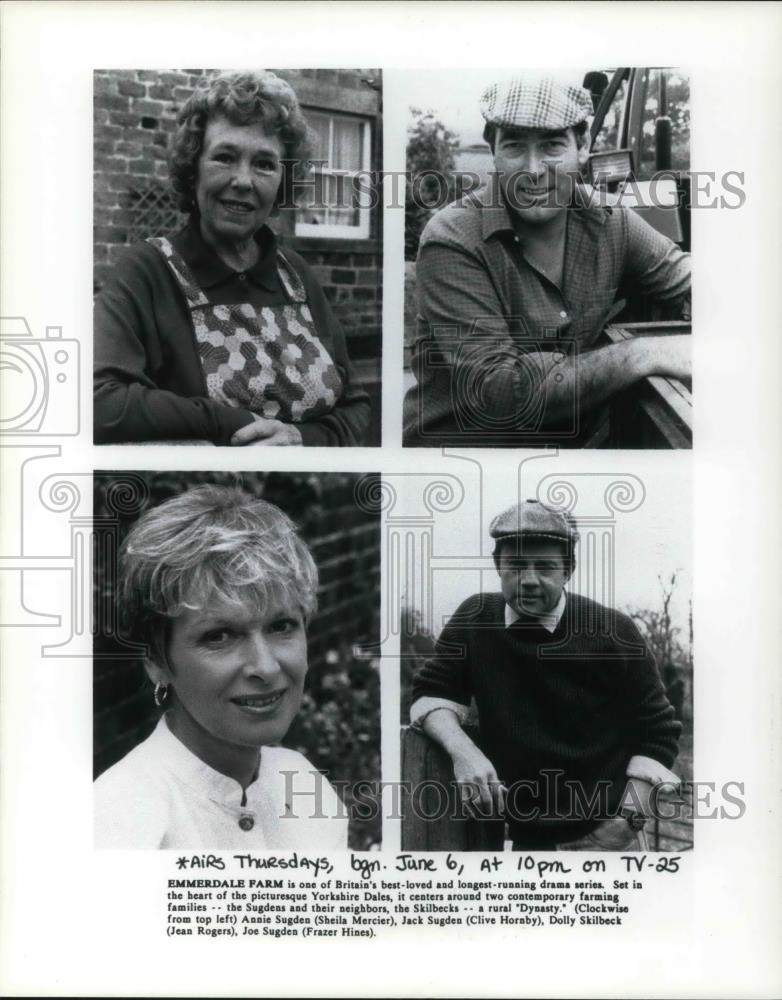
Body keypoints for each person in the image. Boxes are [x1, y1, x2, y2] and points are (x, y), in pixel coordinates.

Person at [403, 73, 692, 447]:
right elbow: (502, 395)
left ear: (582, 146)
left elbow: (693, 281)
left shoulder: (611, 220)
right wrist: (642, 354)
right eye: (514, 146)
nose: (534, 169)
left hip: (569, 458)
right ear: (493, 150)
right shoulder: (452, 238)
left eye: (552, 145)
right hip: (465, 464)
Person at [94, 71, 370, 446]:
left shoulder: (296, 274)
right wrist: (232, 423)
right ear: (193, 169)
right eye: (225, 157)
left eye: (264, 164)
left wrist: (300, 439)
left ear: (283, 181)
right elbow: (100, 402)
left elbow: (355, 406)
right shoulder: (147, 271)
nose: (244, 180)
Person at [410, 500, 681, 850]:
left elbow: (659, 731)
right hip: (520, 840)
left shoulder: (614, 631)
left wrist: (627, 822)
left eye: (545, 567)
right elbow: (432, 694)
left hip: (604, 838)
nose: (529, 581)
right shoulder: (474, 619)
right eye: (516, 566)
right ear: (498, 565)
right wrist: (463, 751)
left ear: (568, 570)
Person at [94, 485, 348, 849]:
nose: (266, 666)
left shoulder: (301, 780)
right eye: (219, 636)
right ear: (156, 661)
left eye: (281, 626)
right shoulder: (118, 819)